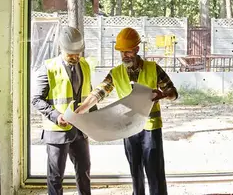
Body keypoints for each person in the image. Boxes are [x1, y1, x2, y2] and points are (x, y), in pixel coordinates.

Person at [74, 27, 178, 195]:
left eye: (128, 51)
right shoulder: (116, 72)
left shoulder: (153, 68)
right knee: (135, 172)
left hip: (150, 128)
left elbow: (174, 94)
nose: (124, 55)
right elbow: (98, 93)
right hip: (128, 128)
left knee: (154, 173)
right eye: (121, 52)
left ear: (136, 49)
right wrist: (80, 110)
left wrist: (163, 95)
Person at [31, 26, 97, 195]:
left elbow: (89, 97)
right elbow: (36, 99)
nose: (75, 57)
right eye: (71, 54)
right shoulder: (48, 68)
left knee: (84, 172)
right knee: (55, 176)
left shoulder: (85, 66)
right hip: (57, 131)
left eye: (78, 53)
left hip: (81, 130)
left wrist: (96, 119)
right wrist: (56, 116)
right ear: (61, 48)